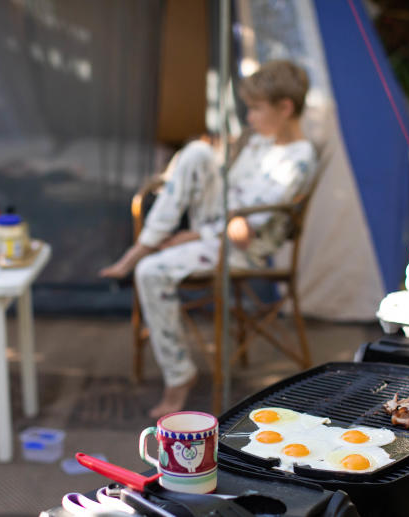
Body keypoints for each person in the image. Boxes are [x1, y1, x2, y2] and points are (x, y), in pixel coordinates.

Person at [100, 60, 317, 418]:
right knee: (197, 152)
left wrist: (193, 234)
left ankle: (179, 376)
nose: (249, 117)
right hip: (220, 228)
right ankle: (146, 246)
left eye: (256, 109)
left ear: (285, 108)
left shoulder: (300, 158)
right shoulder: (260, 142)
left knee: (151, 272)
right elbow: (232, 195)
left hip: (244, 249)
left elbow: (249, 226)